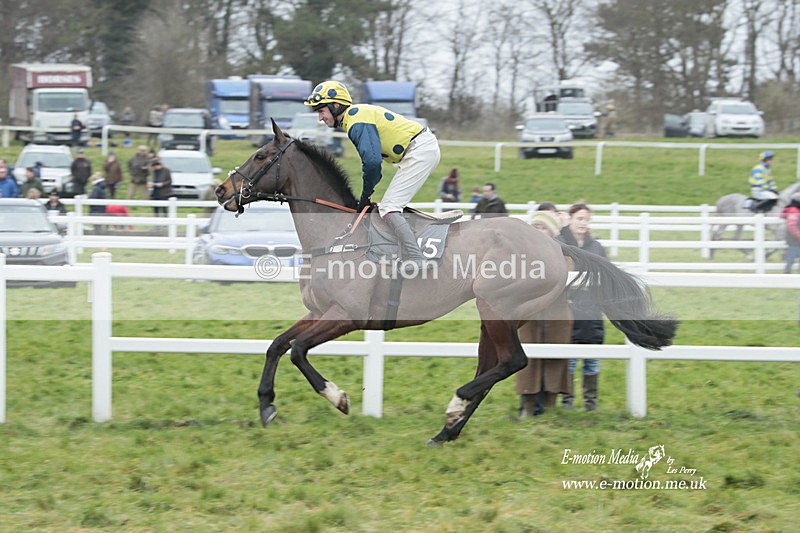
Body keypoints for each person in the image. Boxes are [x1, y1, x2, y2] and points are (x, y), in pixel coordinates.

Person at [304, 80, 441, 275]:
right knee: (390, 205)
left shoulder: (355, 120)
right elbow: (372, 163)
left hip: (420, 150)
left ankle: (416, 257)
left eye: (321, 111)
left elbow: (372, 163)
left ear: (336, 106)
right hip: (419, 148)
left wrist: (366, 195)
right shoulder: (353, 117)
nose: (320, 118)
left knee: (389, 207)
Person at [516, 208, 573, 417]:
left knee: (555, 360)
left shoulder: (564, 253)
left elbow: (566, 277)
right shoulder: (521, 254)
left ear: (552, 232)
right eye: (536, 227)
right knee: (527, 359)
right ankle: (528, 407)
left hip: (556, 316)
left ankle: (549, 407)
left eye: (543, 228)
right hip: (529, 316)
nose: (539, 231)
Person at [558, 202, 606, 411]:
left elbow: (605, 274)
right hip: (569, 310)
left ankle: (590, 403)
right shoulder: (561, 244)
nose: (583, 223)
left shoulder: (597, 247)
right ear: (571, 219)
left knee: (592, 359)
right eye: (579, 218)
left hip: (592, 310)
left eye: (586, 219)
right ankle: (567, 401)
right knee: (569, 360)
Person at [780, 192, 800, 273]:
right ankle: (787, 273)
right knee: (791, 256)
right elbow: (792, 226)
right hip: (794, 239)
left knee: (791, 256)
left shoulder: (792, 209)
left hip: (793, 238)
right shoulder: (794, 211)